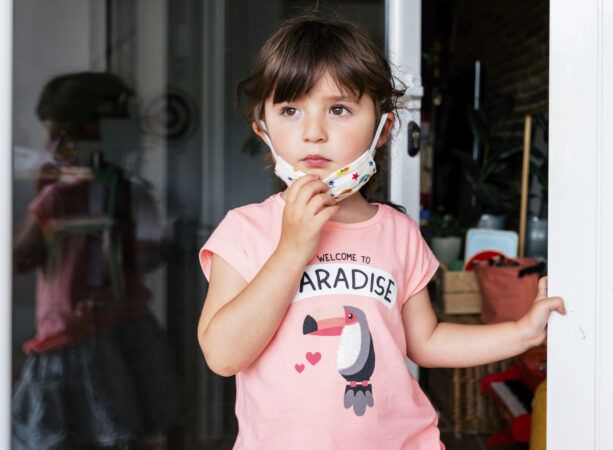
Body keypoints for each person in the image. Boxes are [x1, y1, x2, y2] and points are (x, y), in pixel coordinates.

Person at [197, 12, 566, 449]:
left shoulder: (398, 232)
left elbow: (425, 341)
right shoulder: (244, 231)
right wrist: (292, 249)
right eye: (291, 110)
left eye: (338, 109)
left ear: (383, 128)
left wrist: (522, 333)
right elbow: (222, 355)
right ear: (264, 130)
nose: (313, 133)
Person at [12, 72, 180, 450]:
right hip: (128, 328)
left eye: (54, 134)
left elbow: (18, 258)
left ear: (74, 137)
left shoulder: (56, 198)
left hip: (71, 334)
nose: (46, 144)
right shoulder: (130, 192)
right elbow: (146, 256)